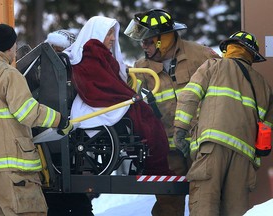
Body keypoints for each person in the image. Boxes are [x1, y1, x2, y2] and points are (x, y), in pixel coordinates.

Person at [124, 8, 220, 216]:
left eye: (148, 41)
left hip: (201, 146)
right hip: (168, 151)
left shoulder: (201, 55)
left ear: (163, 39)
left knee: (204, 201)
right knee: (168, 203)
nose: (143, 46)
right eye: (142, 41)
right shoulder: (141, 68)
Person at [174, 30, 273, 215]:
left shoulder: (214, 65)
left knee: (204, 203)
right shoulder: (264, 86)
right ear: (252, 55)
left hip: (212, 147)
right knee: (236, 210)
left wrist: (180, 129)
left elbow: (189, 96)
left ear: (229, 48)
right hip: (244, 158)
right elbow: (267, 129)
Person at [64, 16, 173, 176]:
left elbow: (107, 82)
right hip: (98, 102)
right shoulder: (92, 52)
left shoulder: (94, 52)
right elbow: (102, 86)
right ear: (98, 33)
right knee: (146, 117)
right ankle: (156, 164)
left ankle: (153, 162)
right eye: (109, 33)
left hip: (101, 101)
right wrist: (129, 96)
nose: (113, 38)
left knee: (144, 114)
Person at [0, 23, 73, 215]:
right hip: (13, 166)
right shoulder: (7, 73)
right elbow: (27, 112)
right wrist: (60, 120)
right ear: (11, 46)